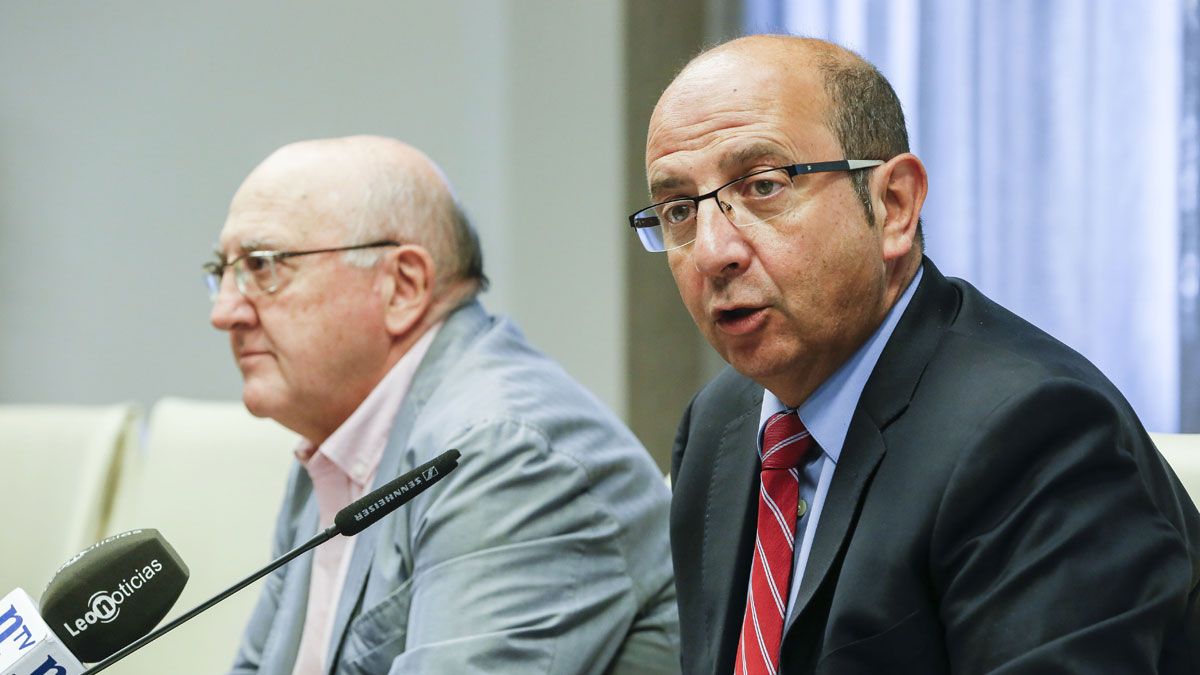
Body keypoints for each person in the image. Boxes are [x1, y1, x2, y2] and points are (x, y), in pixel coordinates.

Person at [632, 35, 1200, 674]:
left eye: (764, 185)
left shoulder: (1036, 433)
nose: (713, 251)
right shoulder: (720, 427)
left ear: (894, 205)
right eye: (679, 210)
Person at [206, 135, 679, 674]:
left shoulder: (503, 451)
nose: (225, 312)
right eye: (222, 272)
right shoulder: (329, 443)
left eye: (263, 266)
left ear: (403, 286)